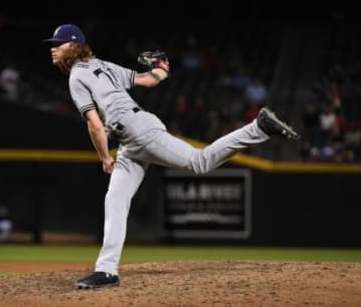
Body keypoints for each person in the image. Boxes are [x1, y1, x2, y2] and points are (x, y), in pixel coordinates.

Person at [43, 24, 299, 289]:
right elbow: (149, 80)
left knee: (200, 162)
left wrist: (105, 157)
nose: (52, 48)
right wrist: (162, 67)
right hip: (132, 139)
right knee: (115, 199)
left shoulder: (76, 76)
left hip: (137, 131)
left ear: (73, 46)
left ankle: (258, 127)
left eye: (57, 43)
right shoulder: (103, 65)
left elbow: (95, 125)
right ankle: (106, 271)